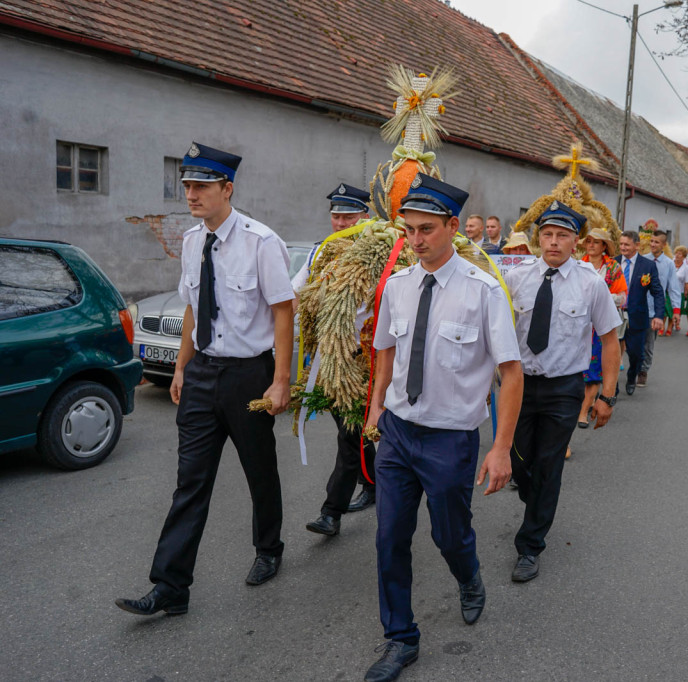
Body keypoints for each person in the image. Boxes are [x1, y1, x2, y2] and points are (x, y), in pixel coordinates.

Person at [116, 142, 294, 617]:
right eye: (187, 185)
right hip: (201, 375)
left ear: (226, 189)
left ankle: (269, 548)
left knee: (259, 470)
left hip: (248, 376)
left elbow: (283, 312)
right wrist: (180, 367)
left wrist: (281, 380)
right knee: (190, 481)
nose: (190, 193)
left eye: (200, 186)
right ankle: (171, 586)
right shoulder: (193, 241)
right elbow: (195, 306)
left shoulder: (262, 242)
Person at [362, 174, 523, 682]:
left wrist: (500, 448)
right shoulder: (398, 286)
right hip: (399, 432)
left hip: (451, 439)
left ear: (454, 227)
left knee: (449, 535)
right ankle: (400, 638)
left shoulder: (482, 293)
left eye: (427, 229)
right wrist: (375, 410)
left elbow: (511, 373)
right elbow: (385, 351)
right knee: (390, 537)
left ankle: (468, 575)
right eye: (409, 230)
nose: (415, 240)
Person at [505, 202, 621, 582]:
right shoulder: (517, 277)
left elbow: (609, 340)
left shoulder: (591, 283)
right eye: (548, 234)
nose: (554, 242)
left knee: (549, 465)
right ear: (539, 238)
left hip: (563, 390)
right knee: (519, 462)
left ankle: (530, 545)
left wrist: (606, 395)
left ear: (577, 241)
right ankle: (532, 494)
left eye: (563, 235)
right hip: (519, 386)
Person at [295, 183, 377, 538]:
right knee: (353, 433)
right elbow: (295, 294)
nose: (341, 222)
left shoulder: (378, 253)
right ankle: (373, 483)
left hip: (362, 360)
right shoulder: (319, 253)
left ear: (365, 217)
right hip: (328, 359)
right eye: (336, 215)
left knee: (349, 436)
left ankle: (332, 512)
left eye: (349, 215)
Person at [577, 228, 626, 429]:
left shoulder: (613, 268)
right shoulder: (578, 265)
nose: (591, 245)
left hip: (601, 326)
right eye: (588, 241)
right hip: (579, 325)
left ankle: (582, 413)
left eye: (596, 242)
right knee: (577, 372)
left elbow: (623, 297)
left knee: (594, 372)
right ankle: (579, 405)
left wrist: (601, 296)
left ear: (604, 246)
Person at [616, 231, 665, 394]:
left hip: (637, 316)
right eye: (621, 244)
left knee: (636, 354)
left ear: (636, 245)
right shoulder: (613, 263)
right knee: (612, 354)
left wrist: (658, 315)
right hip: (615, 315)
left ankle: (631, 377)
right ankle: (612, 388)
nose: (623, 247)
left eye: (626, 244)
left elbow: (657, 292)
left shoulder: (647, 266)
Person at [639, 230, 681, 385]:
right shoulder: (643, 260)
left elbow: (674, 288)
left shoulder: (669, 264)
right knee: (635, 341)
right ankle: (635, 366)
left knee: (648, 343)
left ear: (663, 245)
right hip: (640, 307)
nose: (652, 244)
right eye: (651, 241)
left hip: (655, 311)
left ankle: (643, 371)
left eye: (656, 242)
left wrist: (676, 310)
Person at [673, 246, 688, 330]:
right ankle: (670, 323)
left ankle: (677, 323)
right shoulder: (670, 263)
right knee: (669, 308)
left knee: (678, 308)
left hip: (680, 291)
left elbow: (687, 281)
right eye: (676, 253)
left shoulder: (686, 267)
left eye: (679, 254)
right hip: (670, 290)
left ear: (683, 256)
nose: (677, 255)